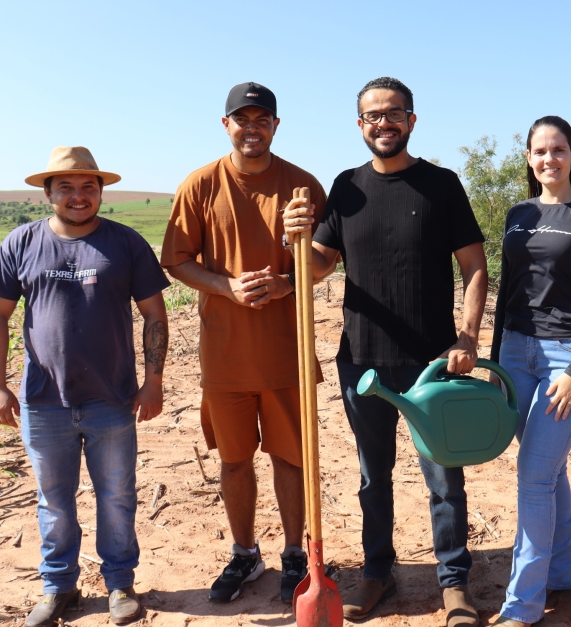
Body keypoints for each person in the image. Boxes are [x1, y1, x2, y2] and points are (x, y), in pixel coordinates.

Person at [283, 76, 488, 626]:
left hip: (431, 364)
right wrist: (297, 240)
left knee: (444, 476)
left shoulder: (442, 185)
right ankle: (378, 571)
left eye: (394, 113)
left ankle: (453, 583)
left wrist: (467, 336)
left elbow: (473, 267)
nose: (383, 123)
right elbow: (321, 265)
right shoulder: (345, 187)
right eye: (373, 115)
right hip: (362, 361)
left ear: (412, 120)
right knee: (374, 475)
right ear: (359, 125)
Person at [0, 146, 170, 627]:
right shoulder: (20, 243)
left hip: (113, 399)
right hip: (44, 402)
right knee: (54, 500)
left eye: (88, 186)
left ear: (101, 191)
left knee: (117, 495)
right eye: (66, 186)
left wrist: (154, 382)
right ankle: (57, 586)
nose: (78, 196)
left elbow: (153, 313)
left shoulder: (125, 243)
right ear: (48, 193)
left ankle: (120, 585)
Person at [161, 82, 327, 605]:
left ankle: (295, 554)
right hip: (225, 356)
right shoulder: (201, 185)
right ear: (226, 124)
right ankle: (244, 551)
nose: (251, 127)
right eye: (242, 119)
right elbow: (178, 259)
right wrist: (225, 286)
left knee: (291, 459)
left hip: (287, 353)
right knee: (235, 461)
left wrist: (289, 281)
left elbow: (326, 258)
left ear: (276, 126)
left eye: (262, 119)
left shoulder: (302, 186)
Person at [487, 117, 571, 626]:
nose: (549, 158)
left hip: (567, 356)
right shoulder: (517, 215)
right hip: (515, 354)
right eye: (540, 151)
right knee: (548, 469)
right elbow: (506, 294)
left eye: (558, 149)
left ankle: (522, 605)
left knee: (533, 475)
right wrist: (496, 363)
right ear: (528, 157)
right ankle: (563, 571)